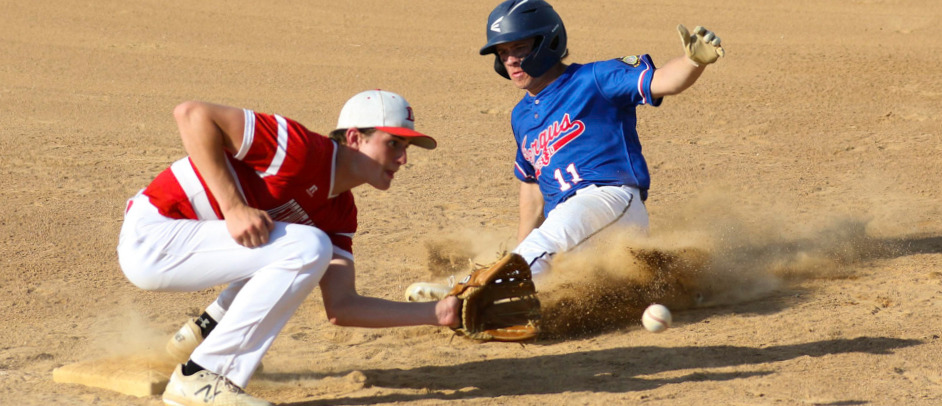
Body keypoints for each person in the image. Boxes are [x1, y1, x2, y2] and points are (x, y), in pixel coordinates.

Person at [118, 90, 460, 406]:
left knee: (296, 247)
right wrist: (234, 206)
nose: (403, 159)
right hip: (155, 235)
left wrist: (438, 314)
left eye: (406, 149)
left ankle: (203, 332)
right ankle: (202, 377)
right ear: (355, 137)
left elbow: (342, 306)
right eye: (394, 144)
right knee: (307, 245)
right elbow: (191, 114)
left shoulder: (340, 211)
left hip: (184, 245)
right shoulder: (299, 150)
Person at [406, 0, 725, 301]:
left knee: (546, 246)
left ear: (548, 43)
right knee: (548, 265)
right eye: (503, 52)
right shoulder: (521, 116)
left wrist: (692, 60)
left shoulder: (595, 78)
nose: (511, 59)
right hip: (571, 220)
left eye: (519, 47)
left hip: (610, 200)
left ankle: (473, 293)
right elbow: (531, 192)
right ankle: (667, 286)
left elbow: (663, 82)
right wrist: (522, 248)